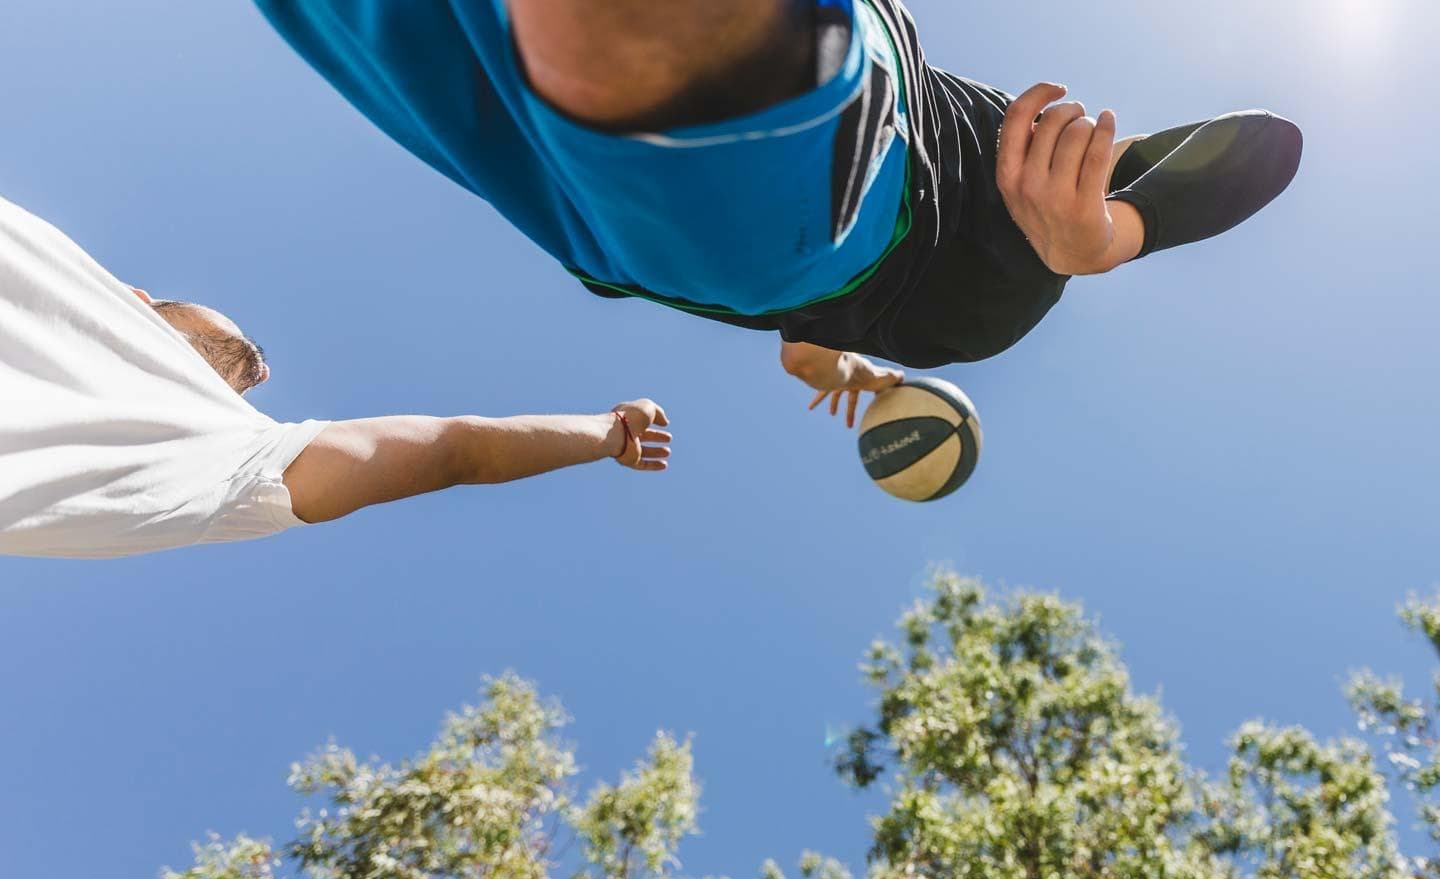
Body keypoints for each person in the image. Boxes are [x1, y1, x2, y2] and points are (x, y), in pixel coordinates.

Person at [254, 0, 1304, 425]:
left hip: (808, 211)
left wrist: (1105, 242)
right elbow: (1255, 146)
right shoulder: (977, 291)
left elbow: (1258, 157)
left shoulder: (996, 299)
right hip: (728, 212)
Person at [0, 196, 671, 559]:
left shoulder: (223, 448)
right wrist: (612, 434)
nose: (259, 374)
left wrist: (610, 432)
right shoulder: (223, 452)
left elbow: (458, 451)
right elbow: (456, 450)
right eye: (241, 350)